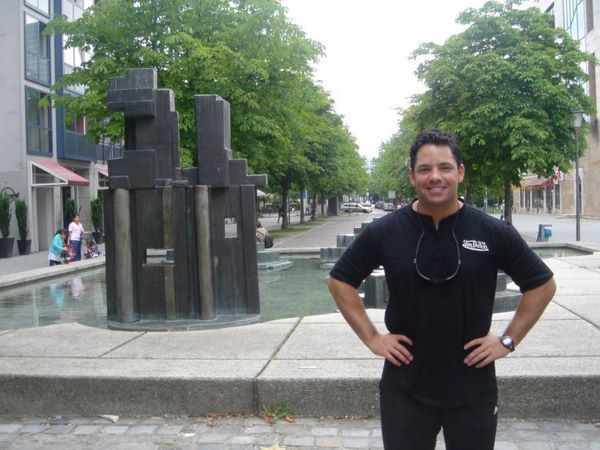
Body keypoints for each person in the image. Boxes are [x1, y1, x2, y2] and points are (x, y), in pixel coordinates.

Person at [328, 129, 556, 450]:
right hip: (405, 386)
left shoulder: (492, 231)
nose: (435, 177)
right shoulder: (385, 231)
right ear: (412, 176)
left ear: (459, 172)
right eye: (425, 169)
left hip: (472, 385)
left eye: (444, 167)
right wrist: (372, 338)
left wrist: (508, 340)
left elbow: (542, 285)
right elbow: (339, 281)